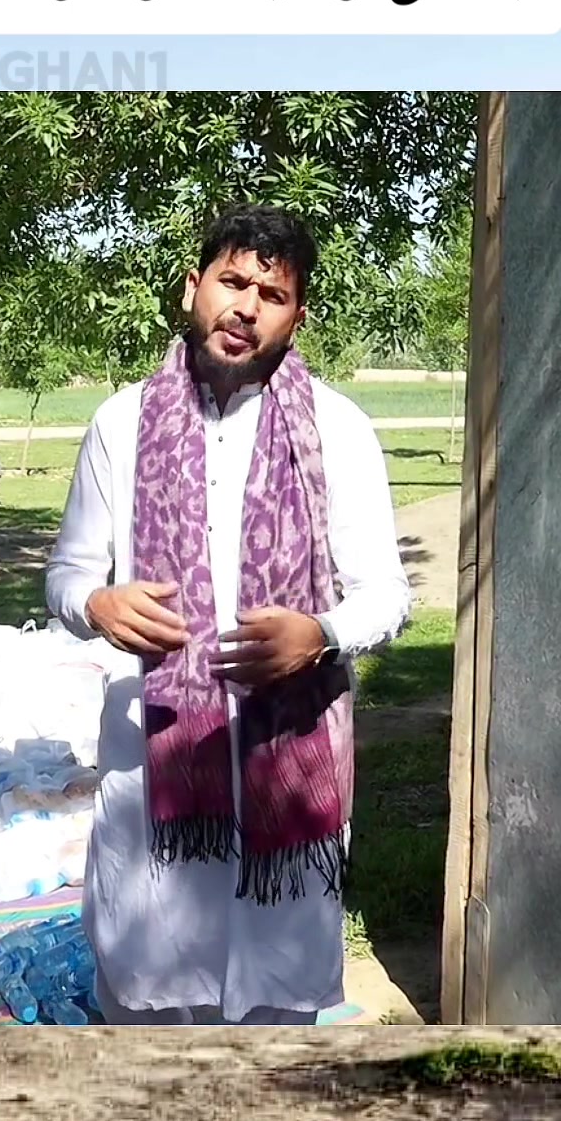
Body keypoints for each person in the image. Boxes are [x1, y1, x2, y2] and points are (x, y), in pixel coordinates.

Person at [46, 204, 411, 1024]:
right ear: (193, 288)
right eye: (232, 282)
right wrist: (97, 604)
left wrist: (321, 636)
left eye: (271, 295)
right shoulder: (121, 423)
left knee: (274, 1018)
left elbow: (386, 594)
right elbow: (67, 576)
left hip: (288, 767)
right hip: (155, 764)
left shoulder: (338, 429)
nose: (246, 307)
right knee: (150, 1003)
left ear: (297, 316)